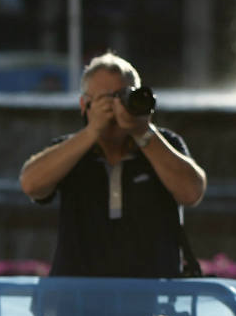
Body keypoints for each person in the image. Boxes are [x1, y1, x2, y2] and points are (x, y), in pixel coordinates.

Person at [19, 52, 208, 277]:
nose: (116, 107)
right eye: (105, 99)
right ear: (84, 105)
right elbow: (30, 184)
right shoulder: (69, 150)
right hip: (78, 299)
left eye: (123, 96)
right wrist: (92, 131)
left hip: (151, 297)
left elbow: (192, 192)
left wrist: (143, 132)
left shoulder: (163, 144)